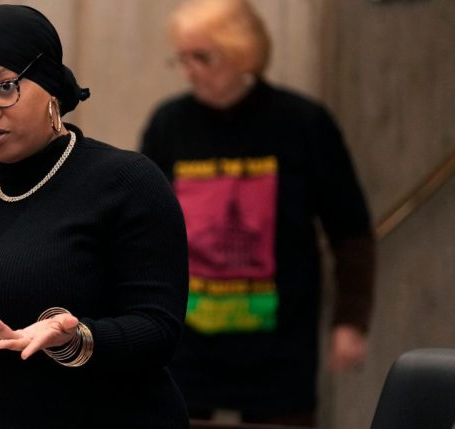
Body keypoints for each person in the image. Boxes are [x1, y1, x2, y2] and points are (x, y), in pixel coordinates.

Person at [0, 5, 190, 428]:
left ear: (51, 87)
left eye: (3, 88)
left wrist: (79, 339)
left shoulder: (127, 182)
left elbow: (158, 329)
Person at [140, 0, 375, 425]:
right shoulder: (168, 125)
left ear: (240, 52)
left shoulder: (304, 123)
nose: (190, 69)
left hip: (280, 346)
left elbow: (350, 231)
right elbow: (142, 231)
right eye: (182, 58)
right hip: (188, 346)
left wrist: (350, 321)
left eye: (202, 57)